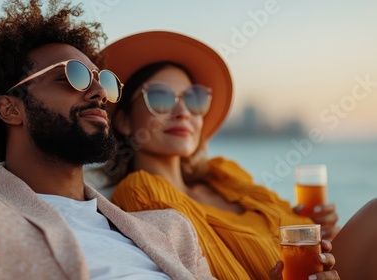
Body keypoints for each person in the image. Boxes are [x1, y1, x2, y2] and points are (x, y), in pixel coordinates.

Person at [0, 2, 214, 280]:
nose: (99, 93)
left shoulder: (171, 228)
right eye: (73, 76)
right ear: (10, 109)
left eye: (104, 82)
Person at [101, 31, 375, 279]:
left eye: (193, 98)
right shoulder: (140, 192)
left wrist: (317, 232)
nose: (183, 111)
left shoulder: (225, 174)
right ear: (124, 121)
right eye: (160, 98)